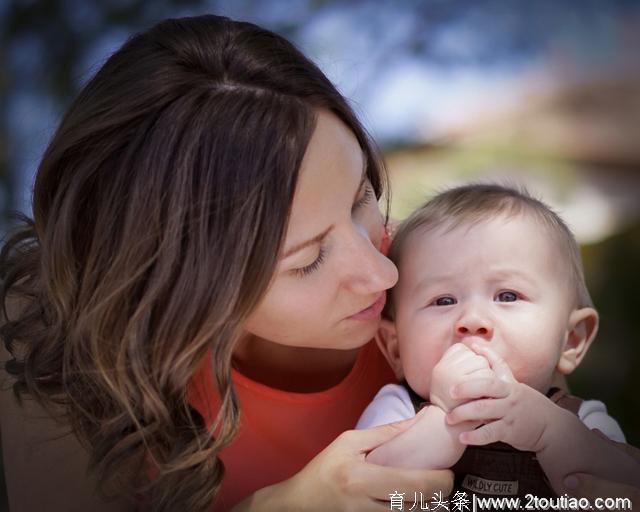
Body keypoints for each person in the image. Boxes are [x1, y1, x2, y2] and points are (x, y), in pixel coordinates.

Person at [0, 14, 453, 512]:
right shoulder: (48, 343)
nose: (383, 274)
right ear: (175, 281)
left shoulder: (442, 287)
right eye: (307, 261)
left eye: (360, 198)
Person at [357, 184, 640, 498]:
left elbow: (627, 487)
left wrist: (550, 434)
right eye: (443, 300)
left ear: (571, 340)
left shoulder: (583, 419)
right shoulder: (398, 410)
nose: (473, 320)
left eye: (507, 296)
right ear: (396, 347)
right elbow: (362, 485)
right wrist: (446, 420)